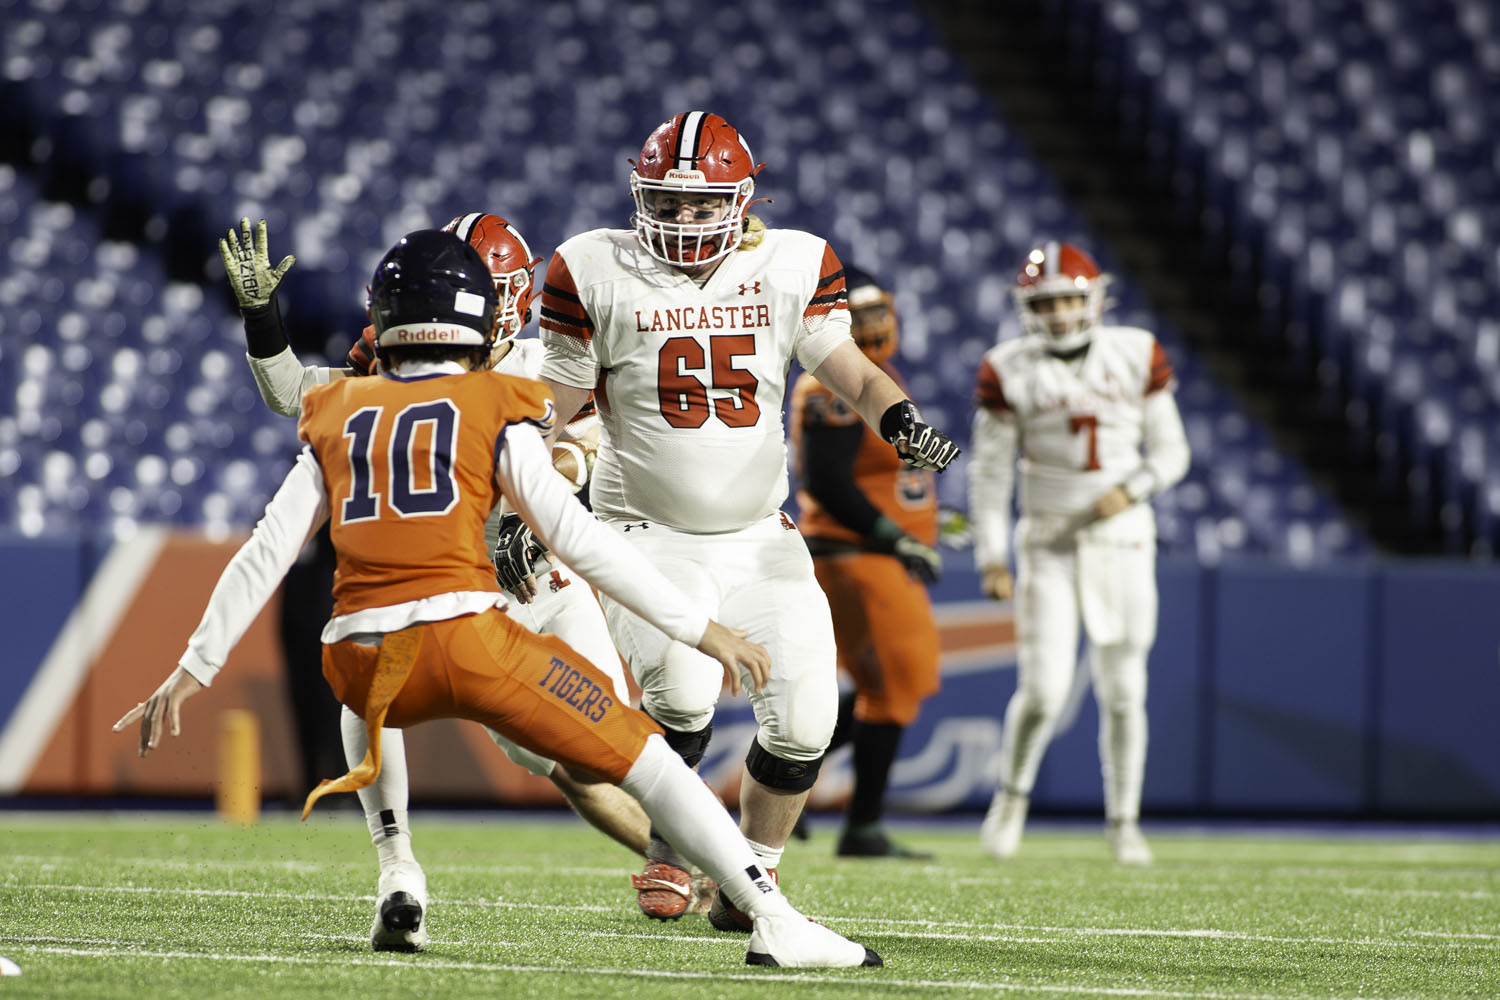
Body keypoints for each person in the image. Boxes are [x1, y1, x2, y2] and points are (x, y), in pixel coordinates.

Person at [113, 229, 882, 969]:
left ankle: (399, 869)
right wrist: (700, 627)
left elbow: (264, 551)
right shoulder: (500, 402)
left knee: (368, 703)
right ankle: (774, 920)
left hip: (362, 658)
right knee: (646, 757)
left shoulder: (336, 414)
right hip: (472, 638)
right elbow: (584, 541)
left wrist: (193, 666)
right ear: (484, 315)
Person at [527, 111, 960, 927]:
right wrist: (525, 487)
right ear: (638, 195)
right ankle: (668, 849)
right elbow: (558, 406)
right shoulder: (592, 266)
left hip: (760, 534)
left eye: (700, 206)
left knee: (805, 723)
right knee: (684, 694)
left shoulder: (791, 263)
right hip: (642, 529)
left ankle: (751, 877)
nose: (682, 221)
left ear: (741, 199)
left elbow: (858, 378)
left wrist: (901, 422)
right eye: (666, 202)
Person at [219, 215, 672, 948]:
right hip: (452, 596)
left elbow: (601, 430)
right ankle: (403, 869)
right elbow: (294, 392)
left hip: (545, 584)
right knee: (566, 760)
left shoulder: (544, 362)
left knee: (617, 746)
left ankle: (704, 869)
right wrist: (262, 319)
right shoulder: (394, 367)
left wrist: (559, 472)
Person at [967, 241, 1190, 865]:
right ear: (1028, 307)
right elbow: (990, 474)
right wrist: (991, 553)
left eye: (1070, 298)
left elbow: (1173, 453)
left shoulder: (1135, 351)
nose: (1061, 313)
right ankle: (1011, 799)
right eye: (1048, 301)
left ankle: (1124, 820)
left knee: (1124, 690)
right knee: (1043, 690)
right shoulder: (1008, 366)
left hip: (1122, 539)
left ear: (1094, 299)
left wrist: (1133, 489)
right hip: (1048, 540)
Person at [788, 264, 942, 859]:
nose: (874, 326)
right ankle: (861, 825)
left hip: (874, 552)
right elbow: (826, 481)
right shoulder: (831, 382)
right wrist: (892, 536)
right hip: (856, 552)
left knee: (890, 683)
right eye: (861, 315)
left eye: (881, 312)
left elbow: (888, 478)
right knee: (898, 682)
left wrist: (930, 526)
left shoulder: (880, 376)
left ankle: (785, 781)